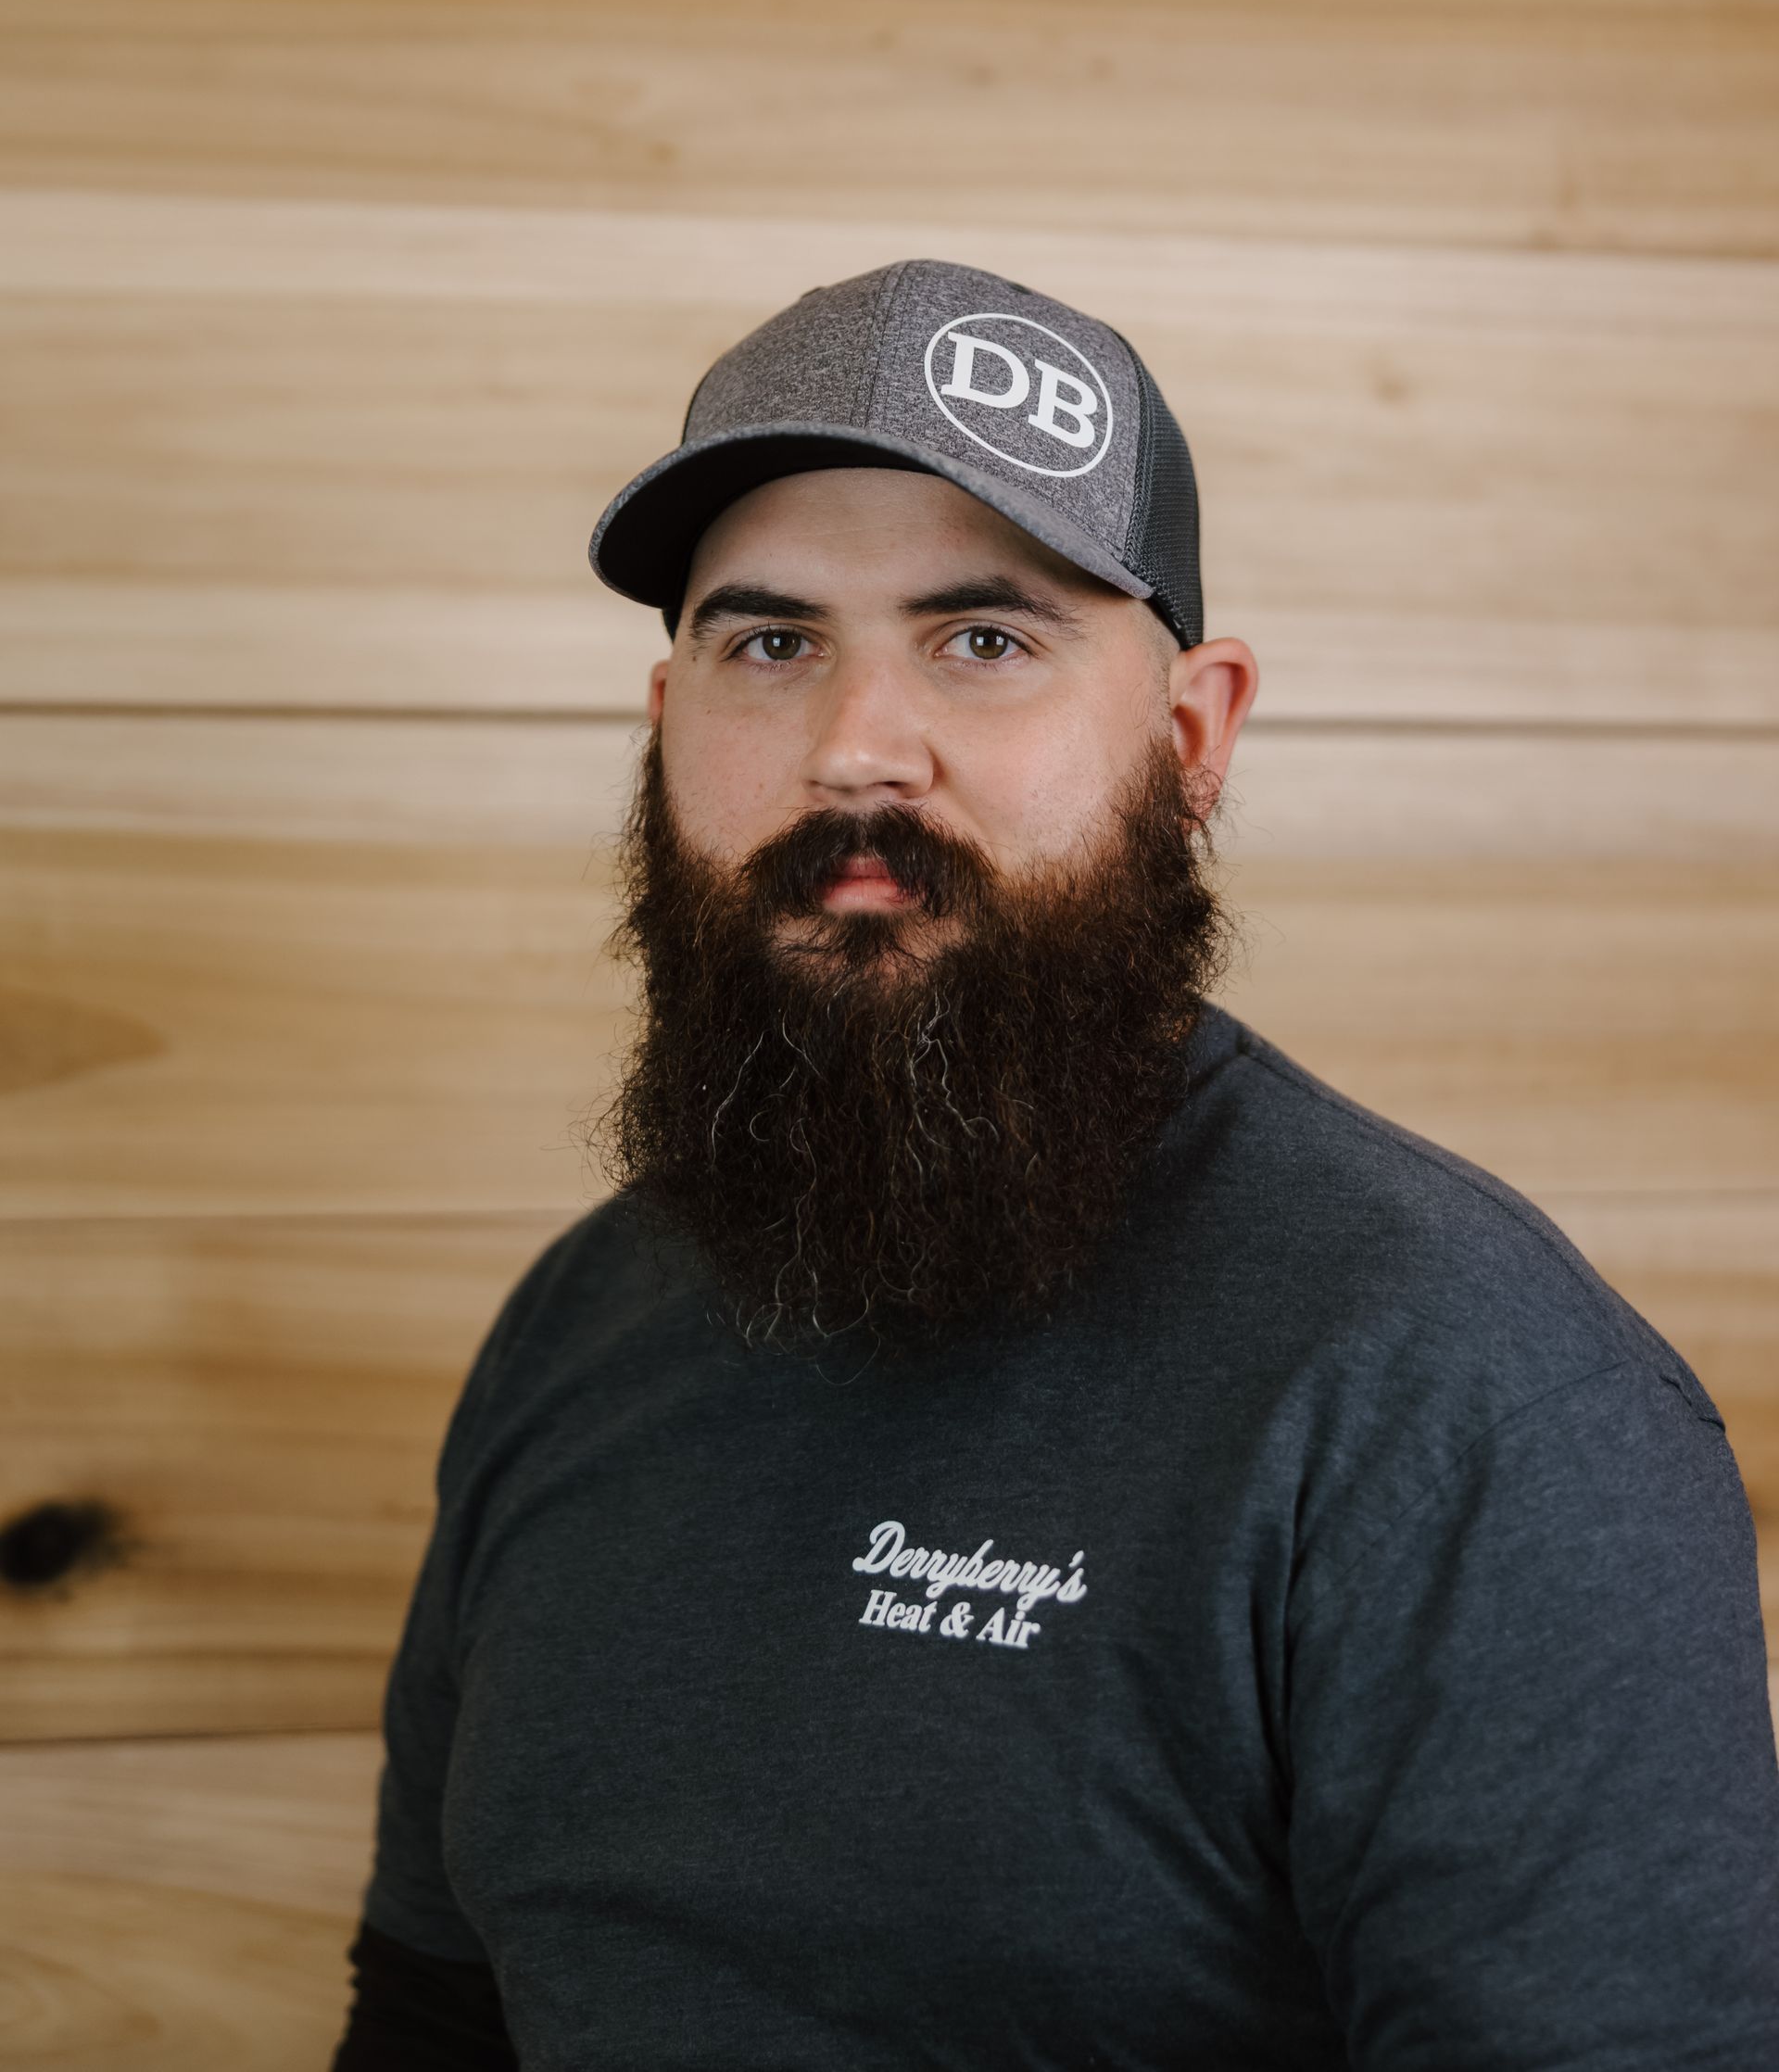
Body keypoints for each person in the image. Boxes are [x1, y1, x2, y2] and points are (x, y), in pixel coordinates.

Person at [331, 259, 1779, 2070]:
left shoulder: (1468, 1393)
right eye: (771, 645)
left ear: (1191, 740)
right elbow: (434, 2015)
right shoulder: (574, 1325)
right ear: (665, 718)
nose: (858, 752)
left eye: (985, 640)